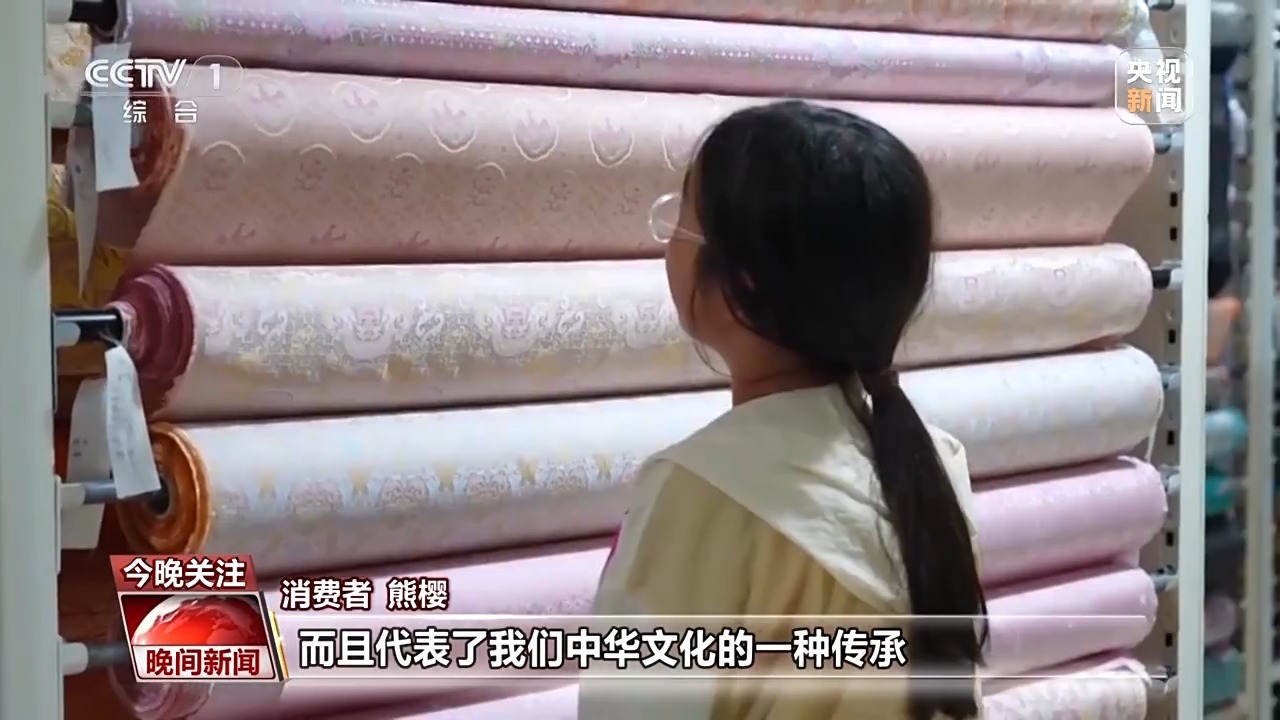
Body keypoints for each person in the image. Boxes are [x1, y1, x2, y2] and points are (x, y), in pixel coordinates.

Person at [580, 101, 987, 719]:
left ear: (744, 282)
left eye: (683, 219)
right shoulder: (933, 466)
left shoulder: (701, 494)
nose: (670, 243)